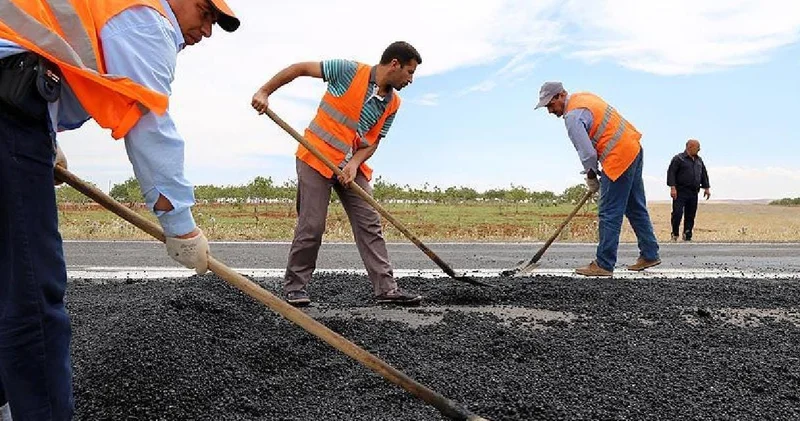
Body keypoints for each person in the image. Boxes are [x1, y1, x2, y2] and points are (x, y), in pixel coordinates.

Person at [0, 0, 239, 419]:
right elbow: (149, 123)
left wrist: (45, 140)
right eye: (205, 12)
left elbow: (33, 52)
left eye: (216, 21)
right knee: (33, 291)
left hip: (16, 104)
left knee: (7, 278)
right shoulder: (150, 20)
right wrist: (179, 225)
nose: (207, 29)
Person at [251, 41, 424, 307]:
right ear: (394, 64)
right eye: (410, 72)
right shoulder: (347, 71)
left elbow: (374, 140)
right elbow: (298, 69)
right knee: (312, 224)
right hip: (316, 157)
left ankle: (386, 289)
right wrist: (264, 92)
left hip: (350, 167)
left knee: (370, 222)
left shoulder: (393, 103)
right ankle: (295, 287)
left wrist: (354, 163)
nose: (411, 79)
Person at [534, 81, 661, 277]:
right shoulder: (584, 97)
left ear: (561, 95)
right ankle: (650, 254)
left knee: (609, 212)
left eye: (550, 105)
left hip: (618, 157)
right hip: (633, 148)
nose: (550, 111)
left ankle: (604, 263)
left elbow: (587, 153)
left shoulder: (573, 116)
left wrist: (591, 176)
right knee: (635, 207)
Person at [667, 139, 710, 241]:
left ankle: (687, 234)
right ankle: (675, 233)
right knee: (677, 213)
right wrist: (673, 188)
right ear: (689, 147)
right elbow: (671, 173)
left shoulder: (699, 160)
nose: (699, 149)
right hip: (680, 191)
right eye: (697, 147)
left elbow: (703, 174)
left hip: (694, 191)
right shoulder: (678, 159)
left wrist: (706, 188)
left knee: (690, 214)